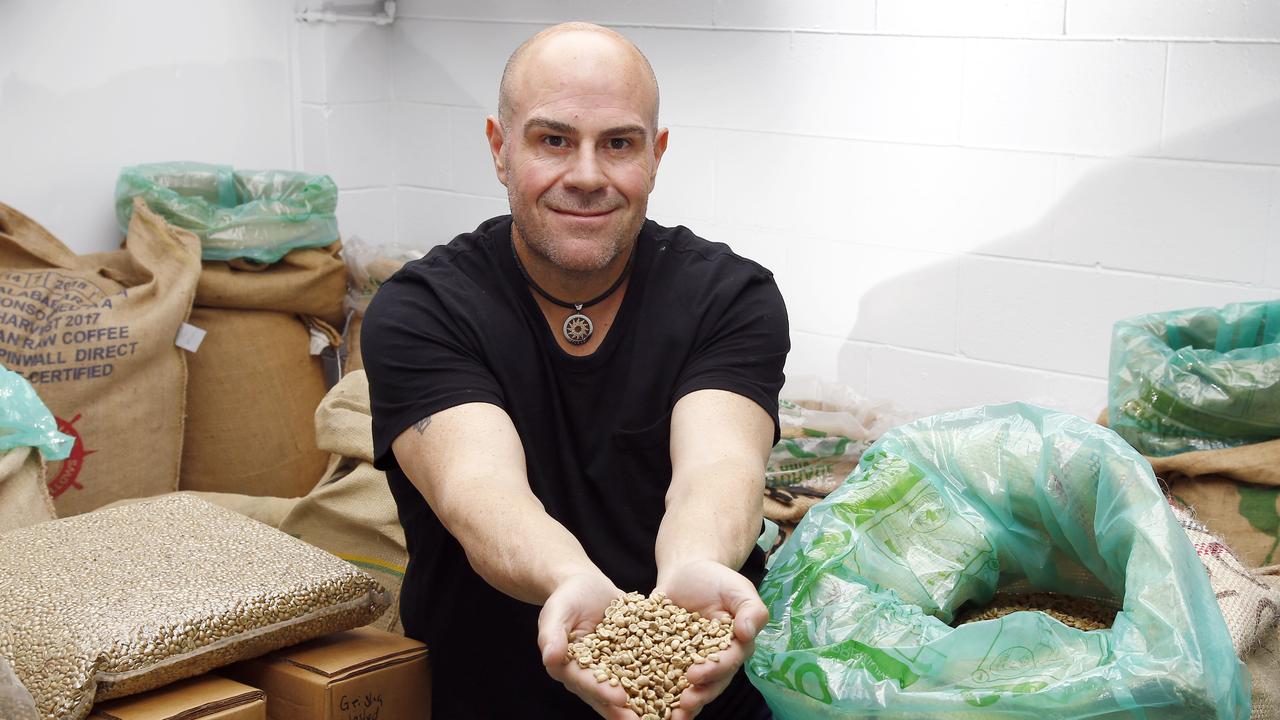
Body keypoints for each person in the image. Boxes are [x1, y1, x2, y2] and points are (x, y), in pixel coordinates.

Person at [363, 21, 789, 719]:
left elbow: (720, 468)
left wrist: (693, 567)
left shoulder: (730, 296)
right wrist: (571, 579)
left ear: (656, 156)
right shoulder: (423, 309)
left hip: (697, 692)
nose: (586, 176)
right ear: (501, 150)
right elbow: (480, 487)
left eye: (618, 143)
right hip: (493, 697)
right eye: (553, 140)